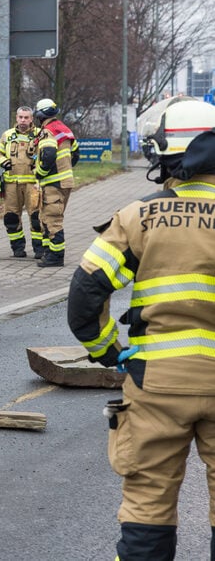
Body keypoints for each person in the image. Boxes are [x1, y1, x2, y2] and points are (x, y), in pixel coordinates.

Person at [66, 99, 215, 561]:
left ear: (170, 154)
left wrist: (109, 352)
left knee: (148, 505)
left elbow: (85, 295)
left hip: (156, 383)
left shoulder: (139, 217)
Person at [33, 97, 79, 267]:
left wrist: (40, 173)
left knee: (52, 220)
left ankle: (56, 257)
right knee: (47, 217)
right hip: (65, 182)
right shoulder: (65, 129)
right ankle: (48, 252)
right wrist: (65, 169)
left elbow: (49, 154)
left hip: (53, 184)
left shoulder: (48, 131)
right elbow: (76, 154)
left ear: (40, 116)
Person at [0, 106, 43, 258]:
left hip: (33, 185)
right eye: (20, 117)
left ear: (31, 119)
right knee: (11, 217)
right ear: (16, 118)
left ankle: (39, 250)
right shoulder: (7, 135)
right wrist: (3, 161)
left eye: (26, 117)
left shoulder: (40, 134)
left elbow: (47, 154)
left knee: (36, 217)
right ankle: (17, 248)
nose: (23, 120)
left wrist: (39, 166)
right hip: (11, 184)